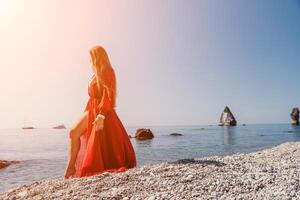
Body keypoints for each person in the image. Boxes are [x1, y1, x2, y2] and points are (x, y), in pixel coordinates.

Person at [64, 46, 137, 178]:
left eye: (91, 58)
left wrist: (101, 114)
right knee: (73, 133)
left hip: (101, 111)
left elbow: (109, 93)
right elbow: (92, 97)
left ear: (97, 57)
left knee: (74, 132)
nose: (89, 61)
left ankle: (70, 169)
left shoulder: (108, 71)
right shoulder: (94, 75)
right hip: (92, 109)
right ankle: (70, 168)